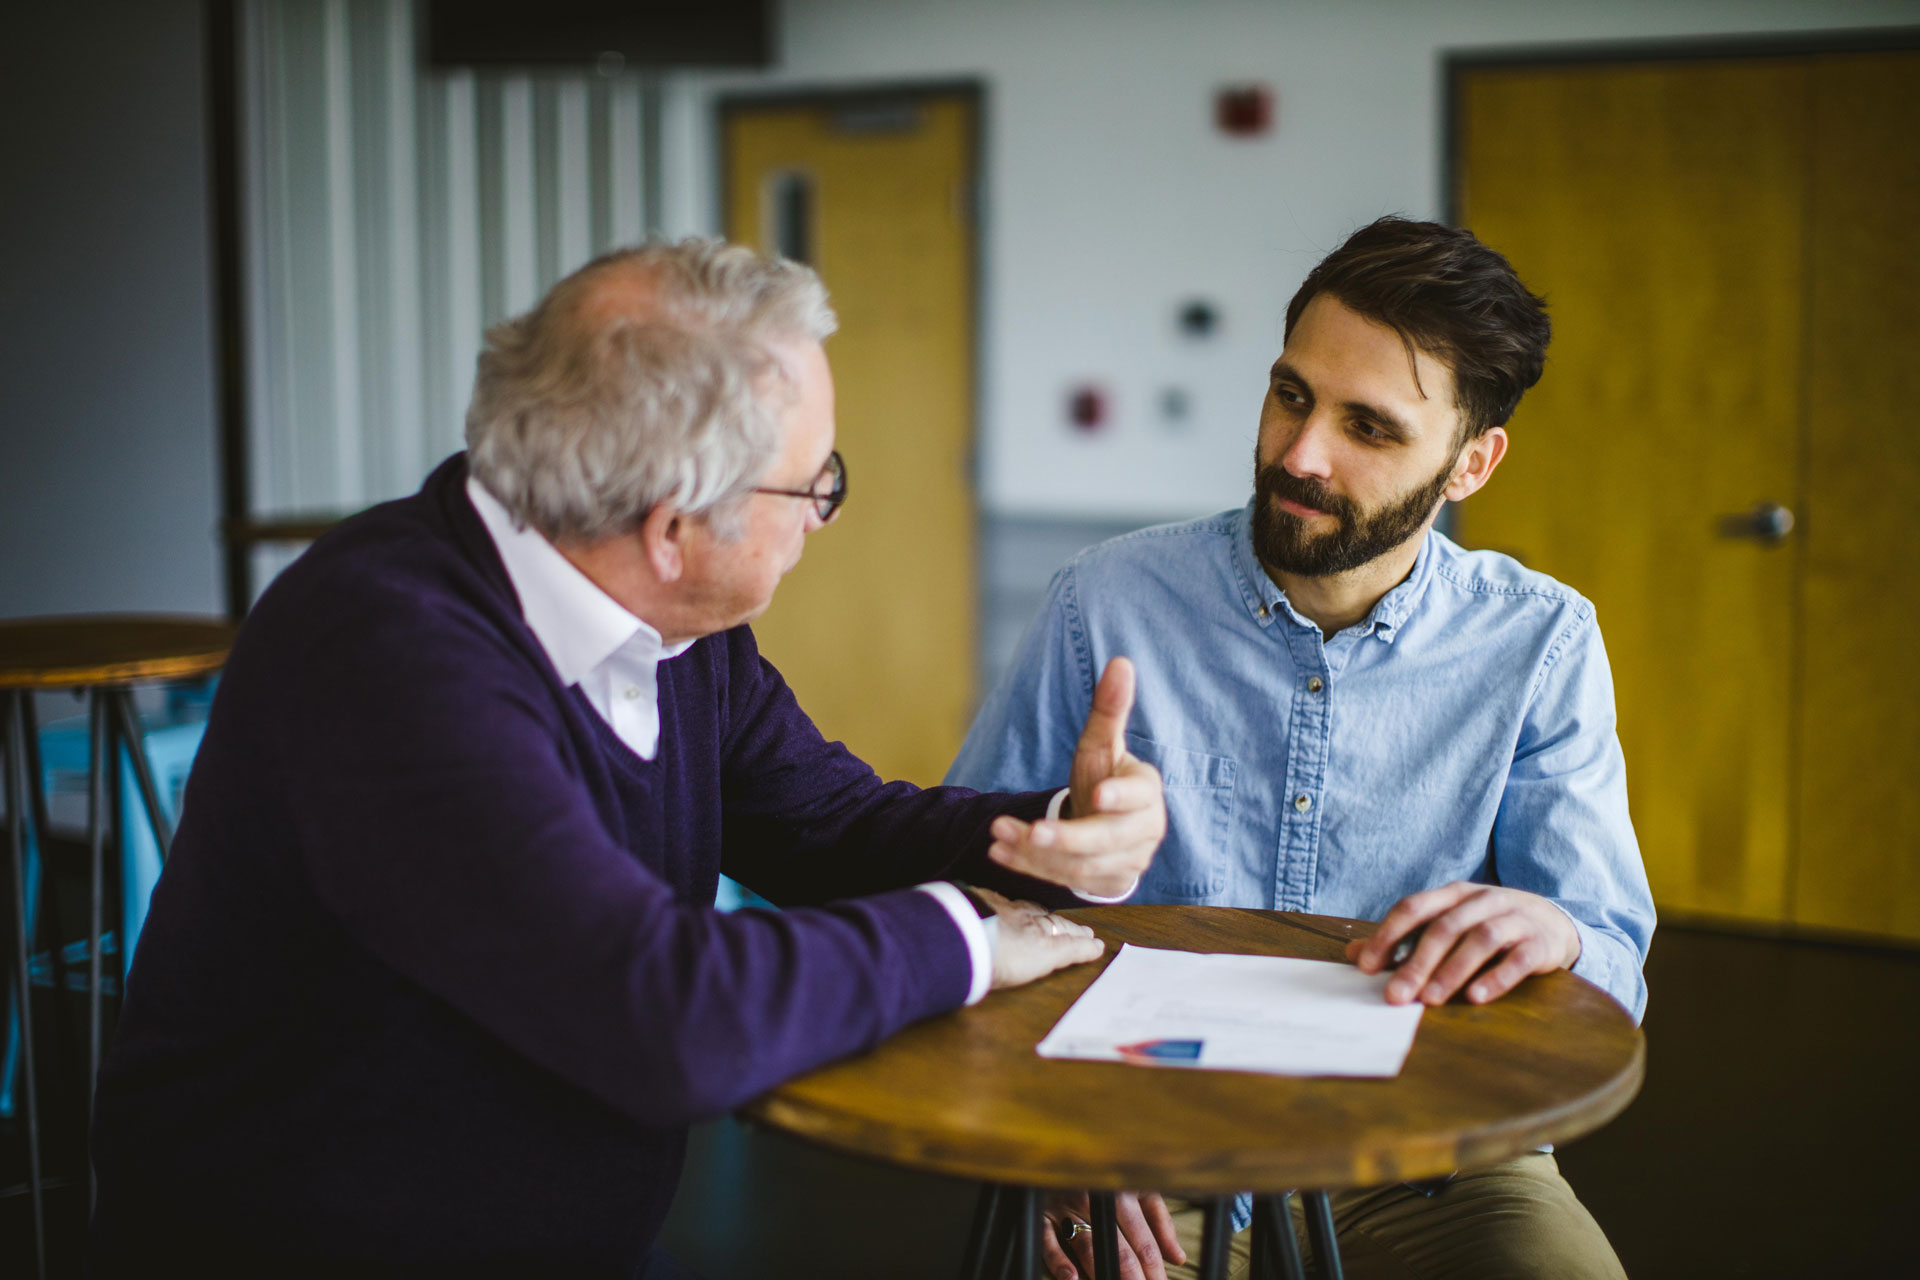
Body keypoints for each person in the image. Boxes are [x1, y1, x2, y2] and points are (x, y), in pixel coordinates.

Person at [90, 240, 1167, 1275]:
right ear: (673, 529)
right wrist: (968, 935)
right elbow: (664, 1014)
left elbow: (828, 826)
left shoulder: (675, 627)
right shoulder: (385, 648)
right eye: (814, 484)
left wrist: (1054, 834)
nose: (826, 517)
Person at [947, 216, 1655, 1280]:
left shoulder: (1542, 642)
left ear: (1471, 463)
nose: (1300, 452)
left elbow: (1609, 954)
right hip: (1137, 1145)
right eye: (1292, 394)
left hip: (1436, 1152)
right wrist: (1051, 1130)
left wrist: (1551, 926)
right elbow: (965, 886)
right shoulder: (1106, 599)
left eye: (1369, 427)